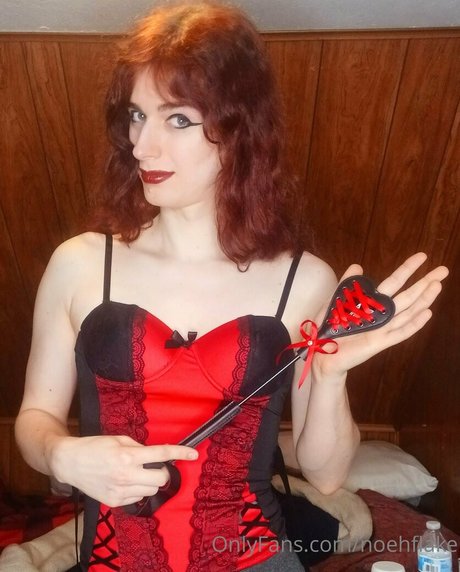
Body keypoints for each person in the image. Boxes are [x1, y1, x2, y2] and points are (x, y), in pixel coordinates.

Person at [15, 1, 448, 571]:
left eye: (178, 120)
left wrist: (332, 377)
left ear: (238, 130)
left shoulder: (303, 280)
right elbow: (34, 420)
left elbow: (325, 475)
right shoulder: (80, 264)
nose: (142, 146)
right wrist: (61, 455)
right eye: (137, 115)